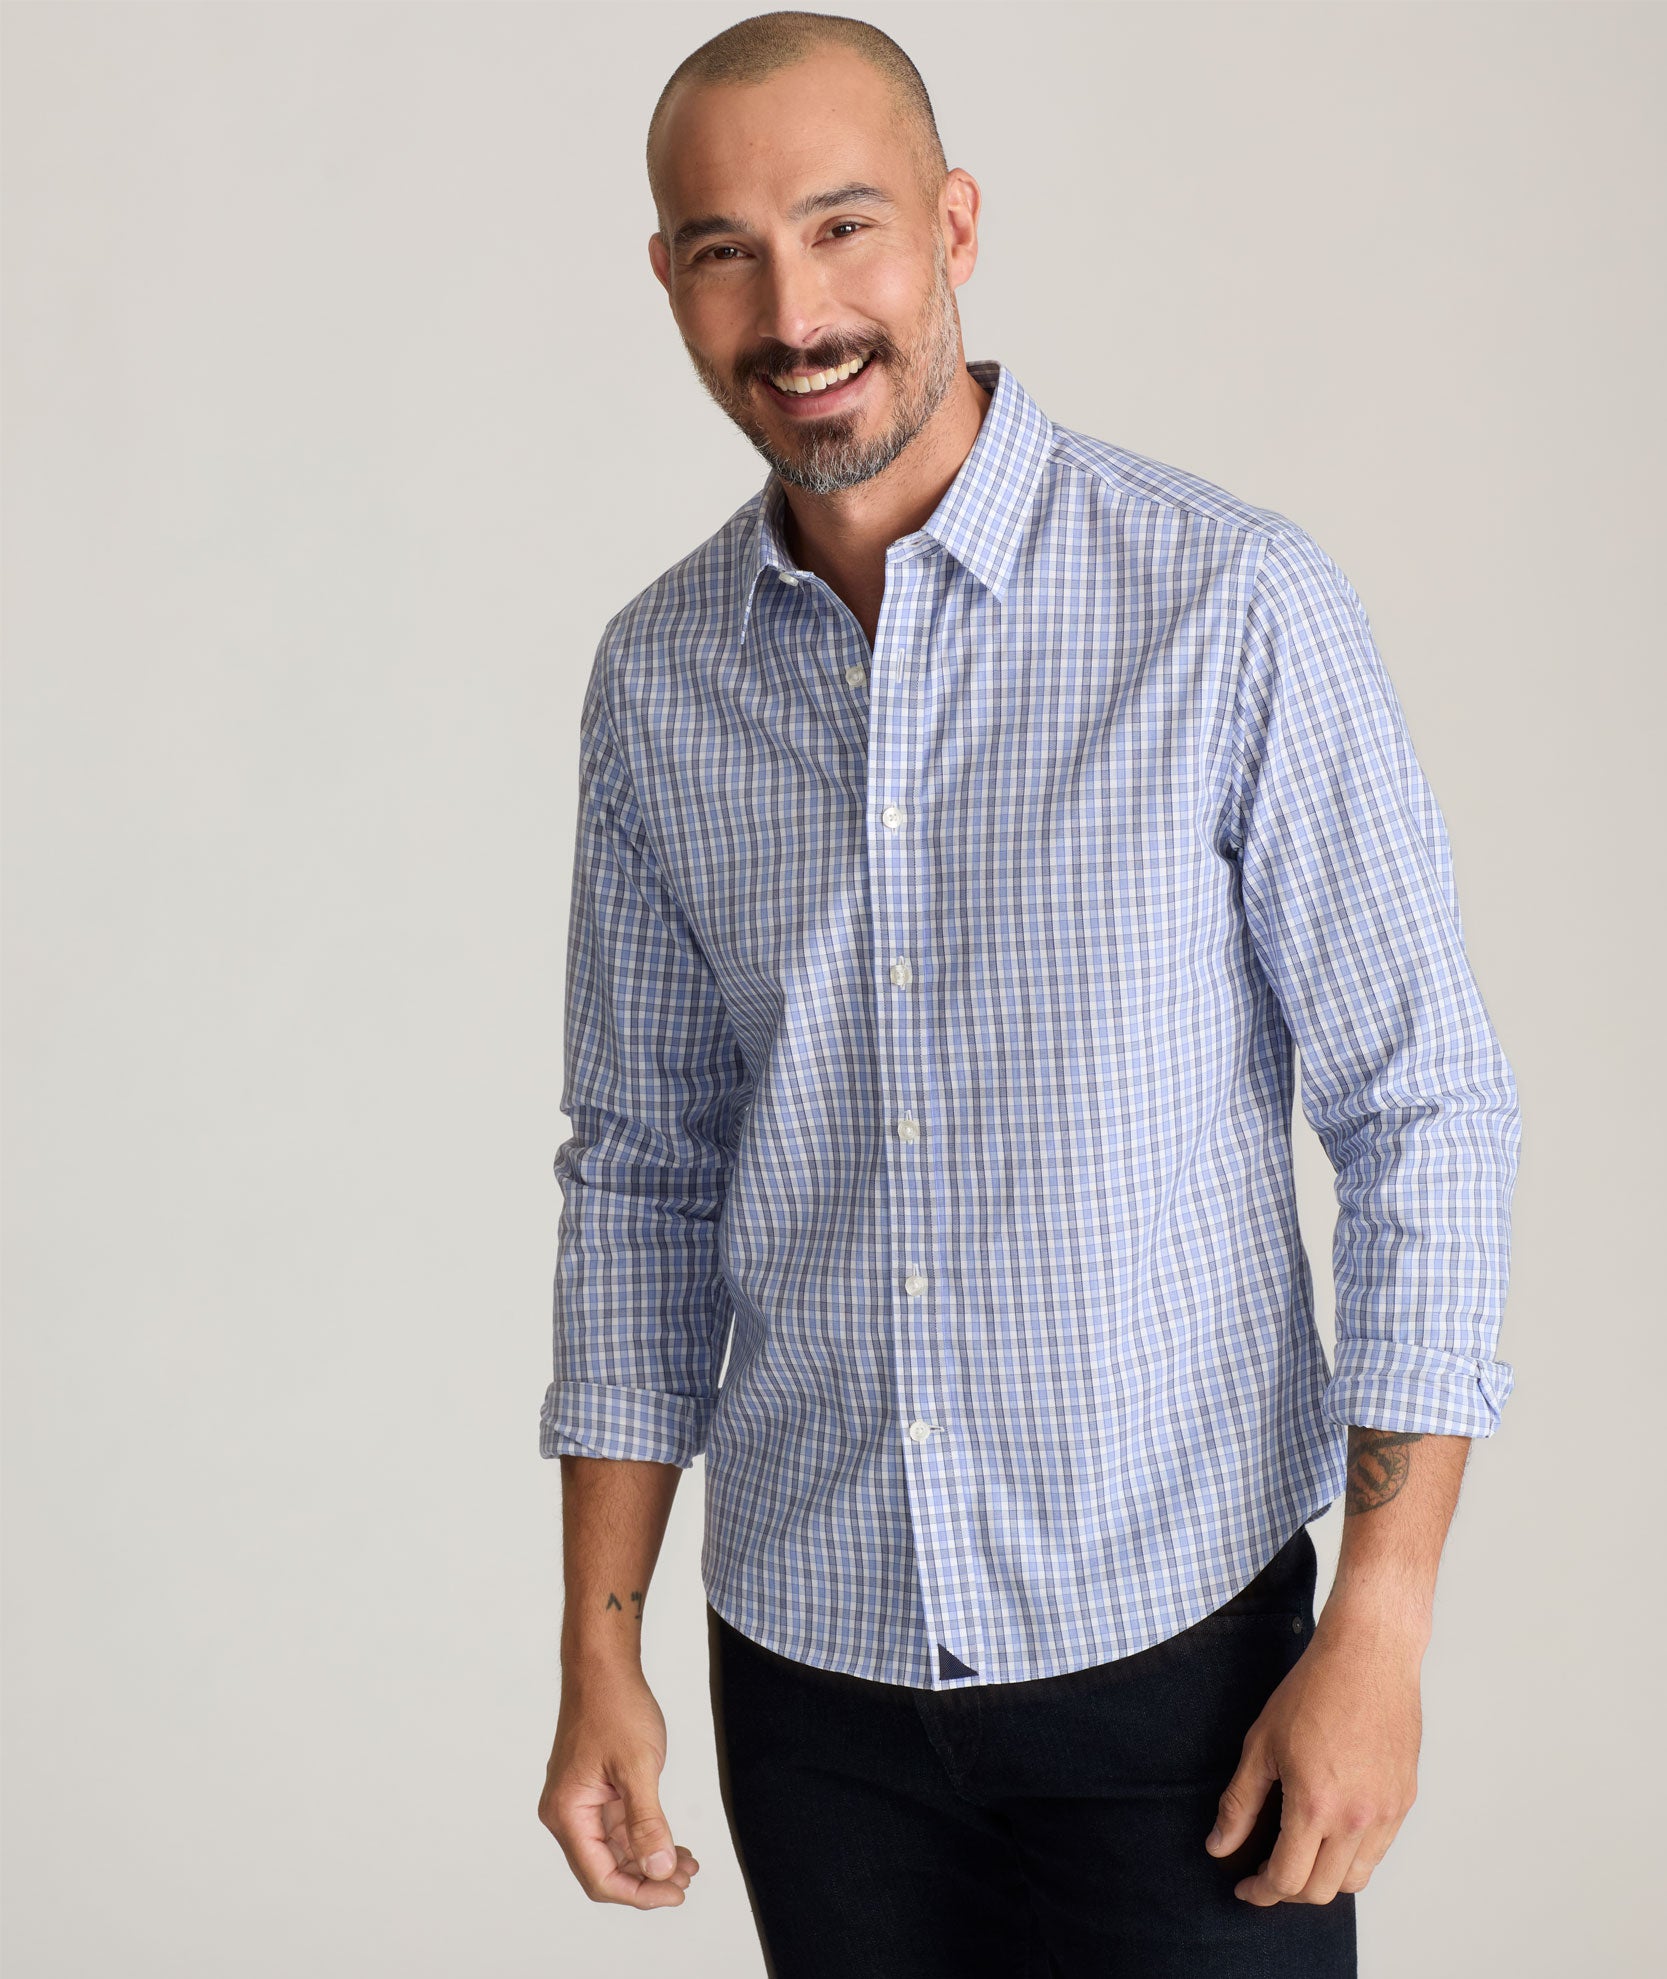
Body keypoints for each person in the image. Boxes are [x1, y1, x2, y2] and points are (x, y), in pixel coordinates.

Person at [535, 13, 1520, 1975]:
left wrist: (1381, 1624)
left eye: (845, 227)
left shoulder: (1231, 606)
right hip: (810, 1693)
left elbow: (1425, 1114)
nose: (795, 312)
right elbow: (641, 1173)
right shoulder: (657, 682)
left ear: (956, 226)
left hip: (1186, 1681)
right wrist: (598, 1650)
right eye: (728, 250)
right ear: (668, 279)